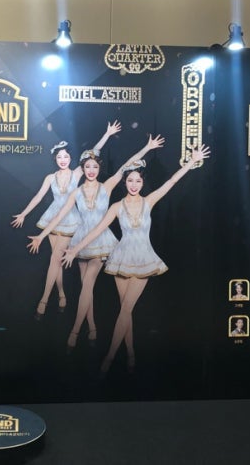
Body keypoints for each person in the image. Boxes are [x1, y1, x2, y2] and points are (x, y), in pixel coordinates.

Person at [62, 145, 210, 376]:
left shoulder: (149, 201)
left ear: (142, 183)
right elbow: (96, 230)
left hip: (143, 259)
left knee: (126, 308)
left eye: (137, 181)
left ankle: (110, 357)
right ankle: (130, 352)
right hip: (121, 258)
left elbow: (171, 182)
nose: (133, 184)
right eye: (130, 181)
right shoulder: (116, 207)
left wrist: (192, 162)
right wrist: (74, 250)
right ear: (125, 182)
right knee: (125, 310)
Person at [28, 134, 164, 351]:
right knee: (85, 287)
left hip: (102, 240)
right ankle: (92, 327)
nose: (91, 170)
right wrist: (41, 236)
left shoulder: (107, 186)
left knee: (88, 283)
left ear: (99, 169)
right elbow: (59, 215)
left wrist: (147, 148)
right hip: (81, 240)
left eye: (95, 167)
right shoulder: (76, 192)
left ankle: (75, 331)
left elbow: (127, 165)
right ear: (83, 168)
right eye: (88, 167)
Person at [12, 122, 121, 319]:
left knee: (55, 259)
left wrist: (106, 134)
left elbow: (93, 152)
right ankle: (62, 294)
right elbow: (38, 197)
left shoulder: (77, 172)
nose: (63, 160)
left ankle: (44, 300)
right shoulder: (50, 177)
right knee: (56, 261)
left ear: (71, 158)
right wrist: (24, 214)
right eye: (59, 157)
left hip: (71, 220)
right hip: (53, 218)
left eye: (66, 156)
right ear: (55, 159)